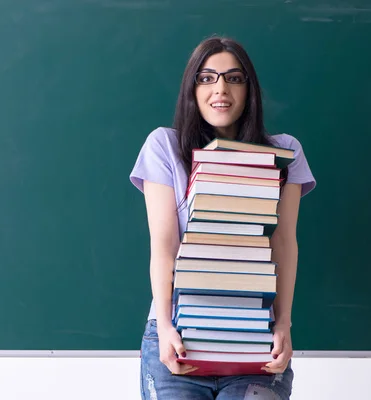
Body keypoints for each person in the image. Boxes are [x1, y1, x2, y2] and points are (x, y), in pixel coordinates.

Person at [129, 36, 316, 399]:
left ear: (249, 89)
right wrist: (166, 327)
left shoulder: (284, 152)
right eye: (207, 78)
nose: (221, 89)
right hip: (179, 338)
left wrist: (283, 323)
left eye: (234, 78)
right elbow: (165, 246)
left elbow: (283, 244)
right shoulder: (164, 147)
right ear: (192, 89)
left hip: (256, 337)